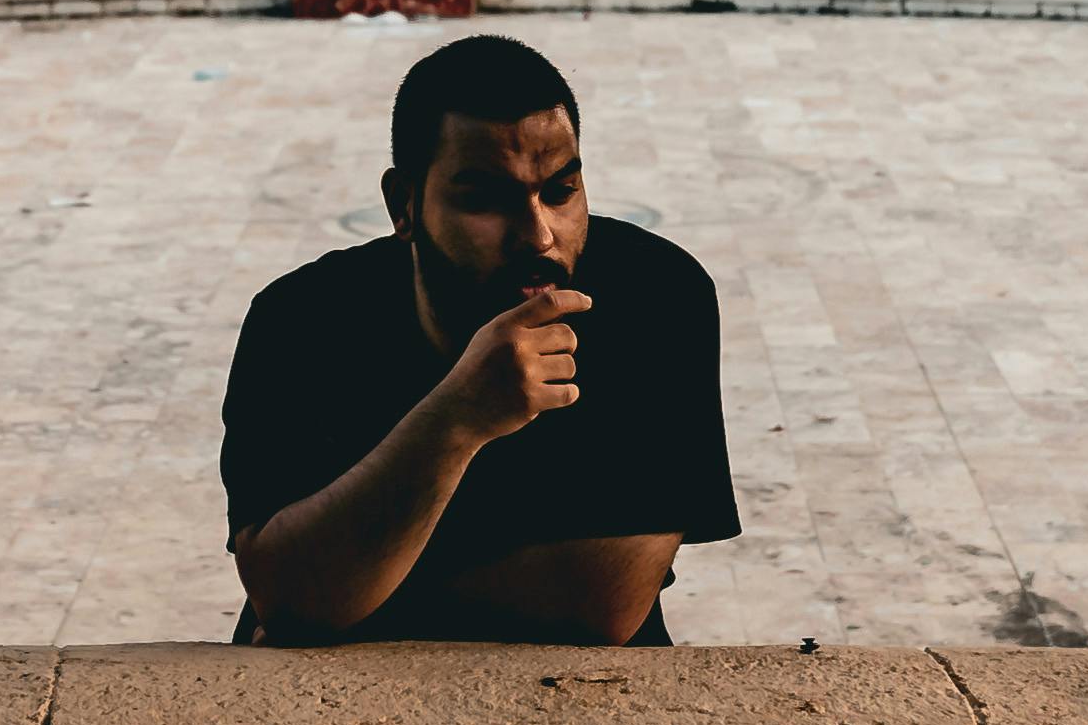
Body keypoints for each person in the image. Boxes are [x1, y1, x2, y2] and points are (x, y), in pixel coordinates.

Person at [218, 34, 738, 645]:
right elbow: (283, 589)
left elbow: (603, 604)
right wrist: (456, 419)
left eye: (560, 191)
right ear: (404, 204)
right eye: (486, 200)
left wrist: (353, 598)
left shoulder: (658, 296)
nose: (539, 236)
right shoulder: (300, 319)